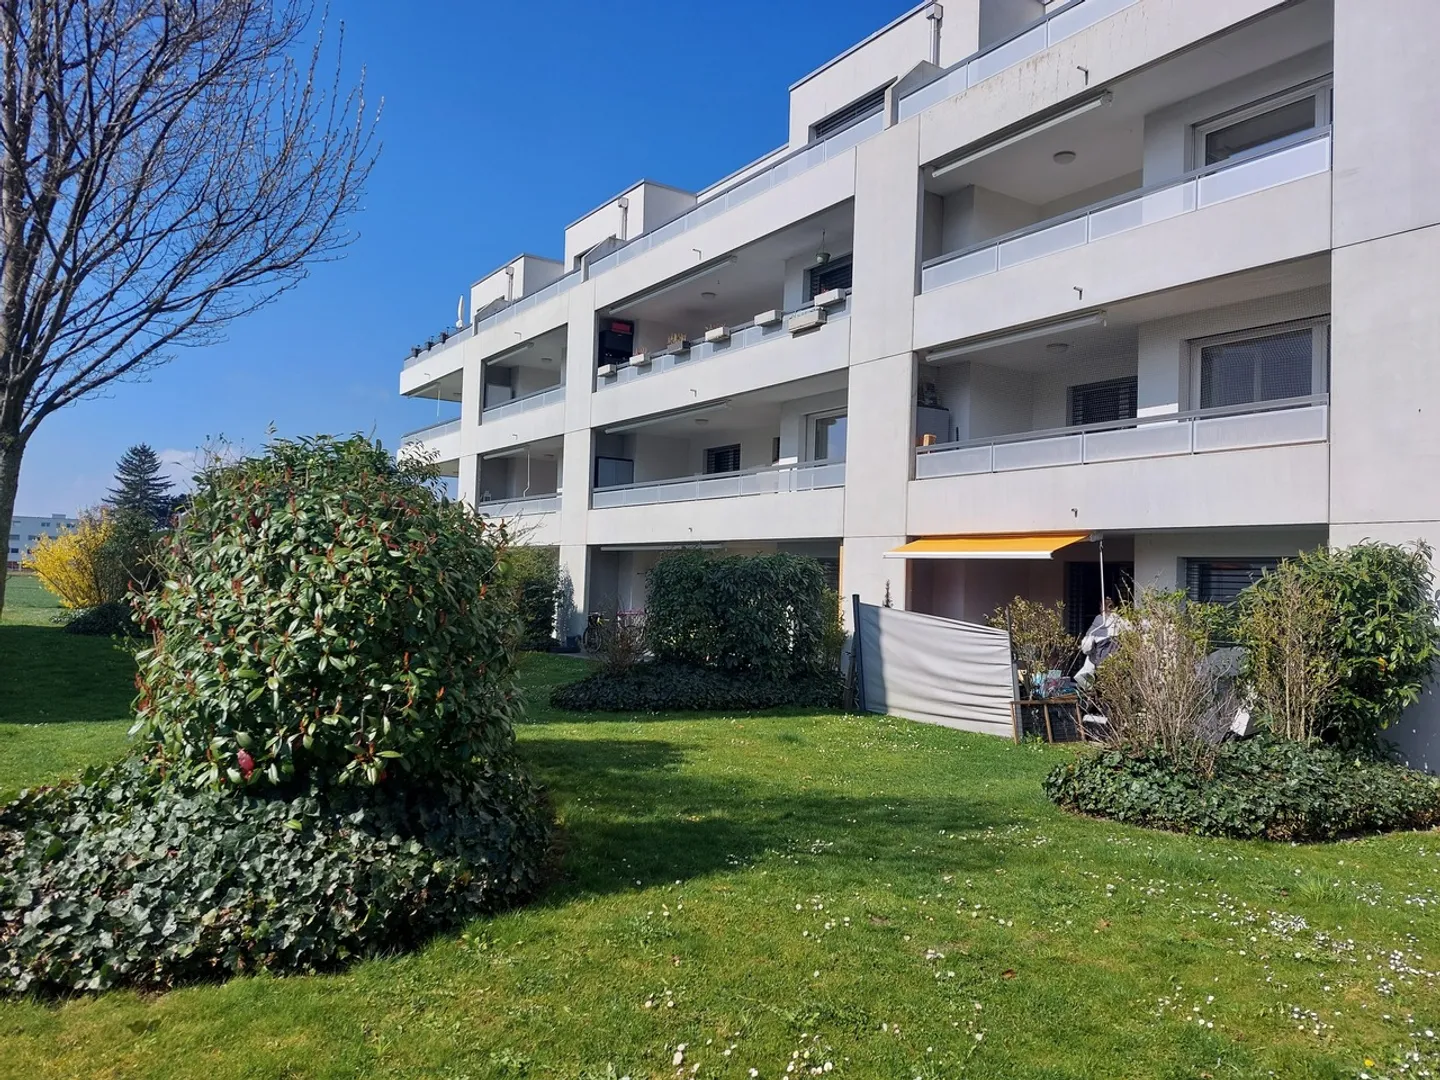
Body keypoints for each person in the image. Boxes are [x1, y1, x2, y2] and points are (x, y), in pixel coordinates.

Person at [1074, 597, 1127, 688]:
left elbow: (1086, 647)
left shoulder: (1097, 624)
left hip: (1102, 667)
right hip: (1120, 666)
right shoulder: (1124, 623)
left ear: (1102, 607)